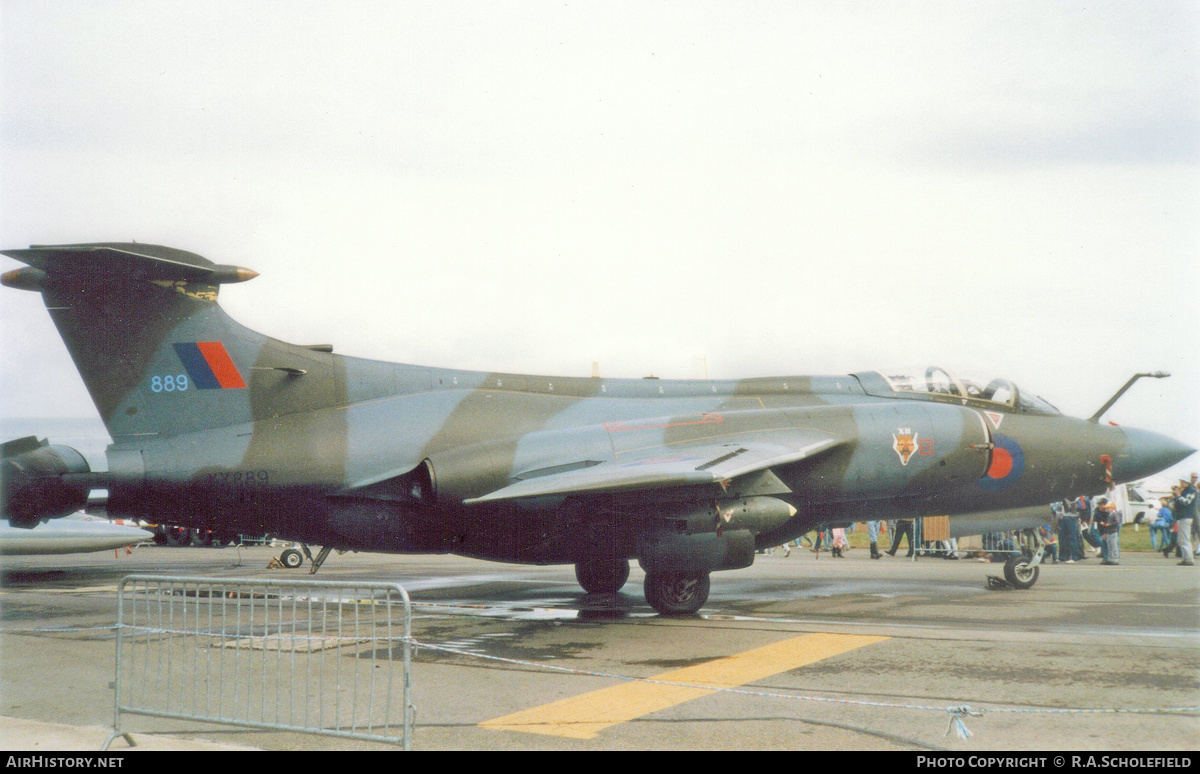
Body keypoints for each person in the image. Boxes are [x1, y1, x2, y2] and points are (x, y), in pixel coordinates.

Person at [1173, 476, 1197, 566]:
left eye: (1182, 482)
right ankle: (1186, 557)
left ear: (1187, 482)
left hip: (1186, 517)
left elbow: (1186, 502)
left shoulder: (1191, 490)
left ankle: (1189, 559)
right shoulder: (1185, 491)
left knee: (1185, 538)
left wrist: (1179, 495)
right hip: (1181, 517)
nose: (1181, 484)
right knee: (1181, 539)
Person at [1096, 499, 1120, 565]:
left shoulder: (1114, 514)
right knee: (1110, 545)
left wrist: (1109, 524)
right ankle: (1110, 558)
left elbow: (1117, 522)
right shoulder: (1109, 514)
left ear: (1112, 508)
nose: (1107, 509)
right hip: (1109, 531)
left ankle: (1115, 559)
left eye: (1108, 508)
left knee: (1113, 545)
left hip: (1112, 531)